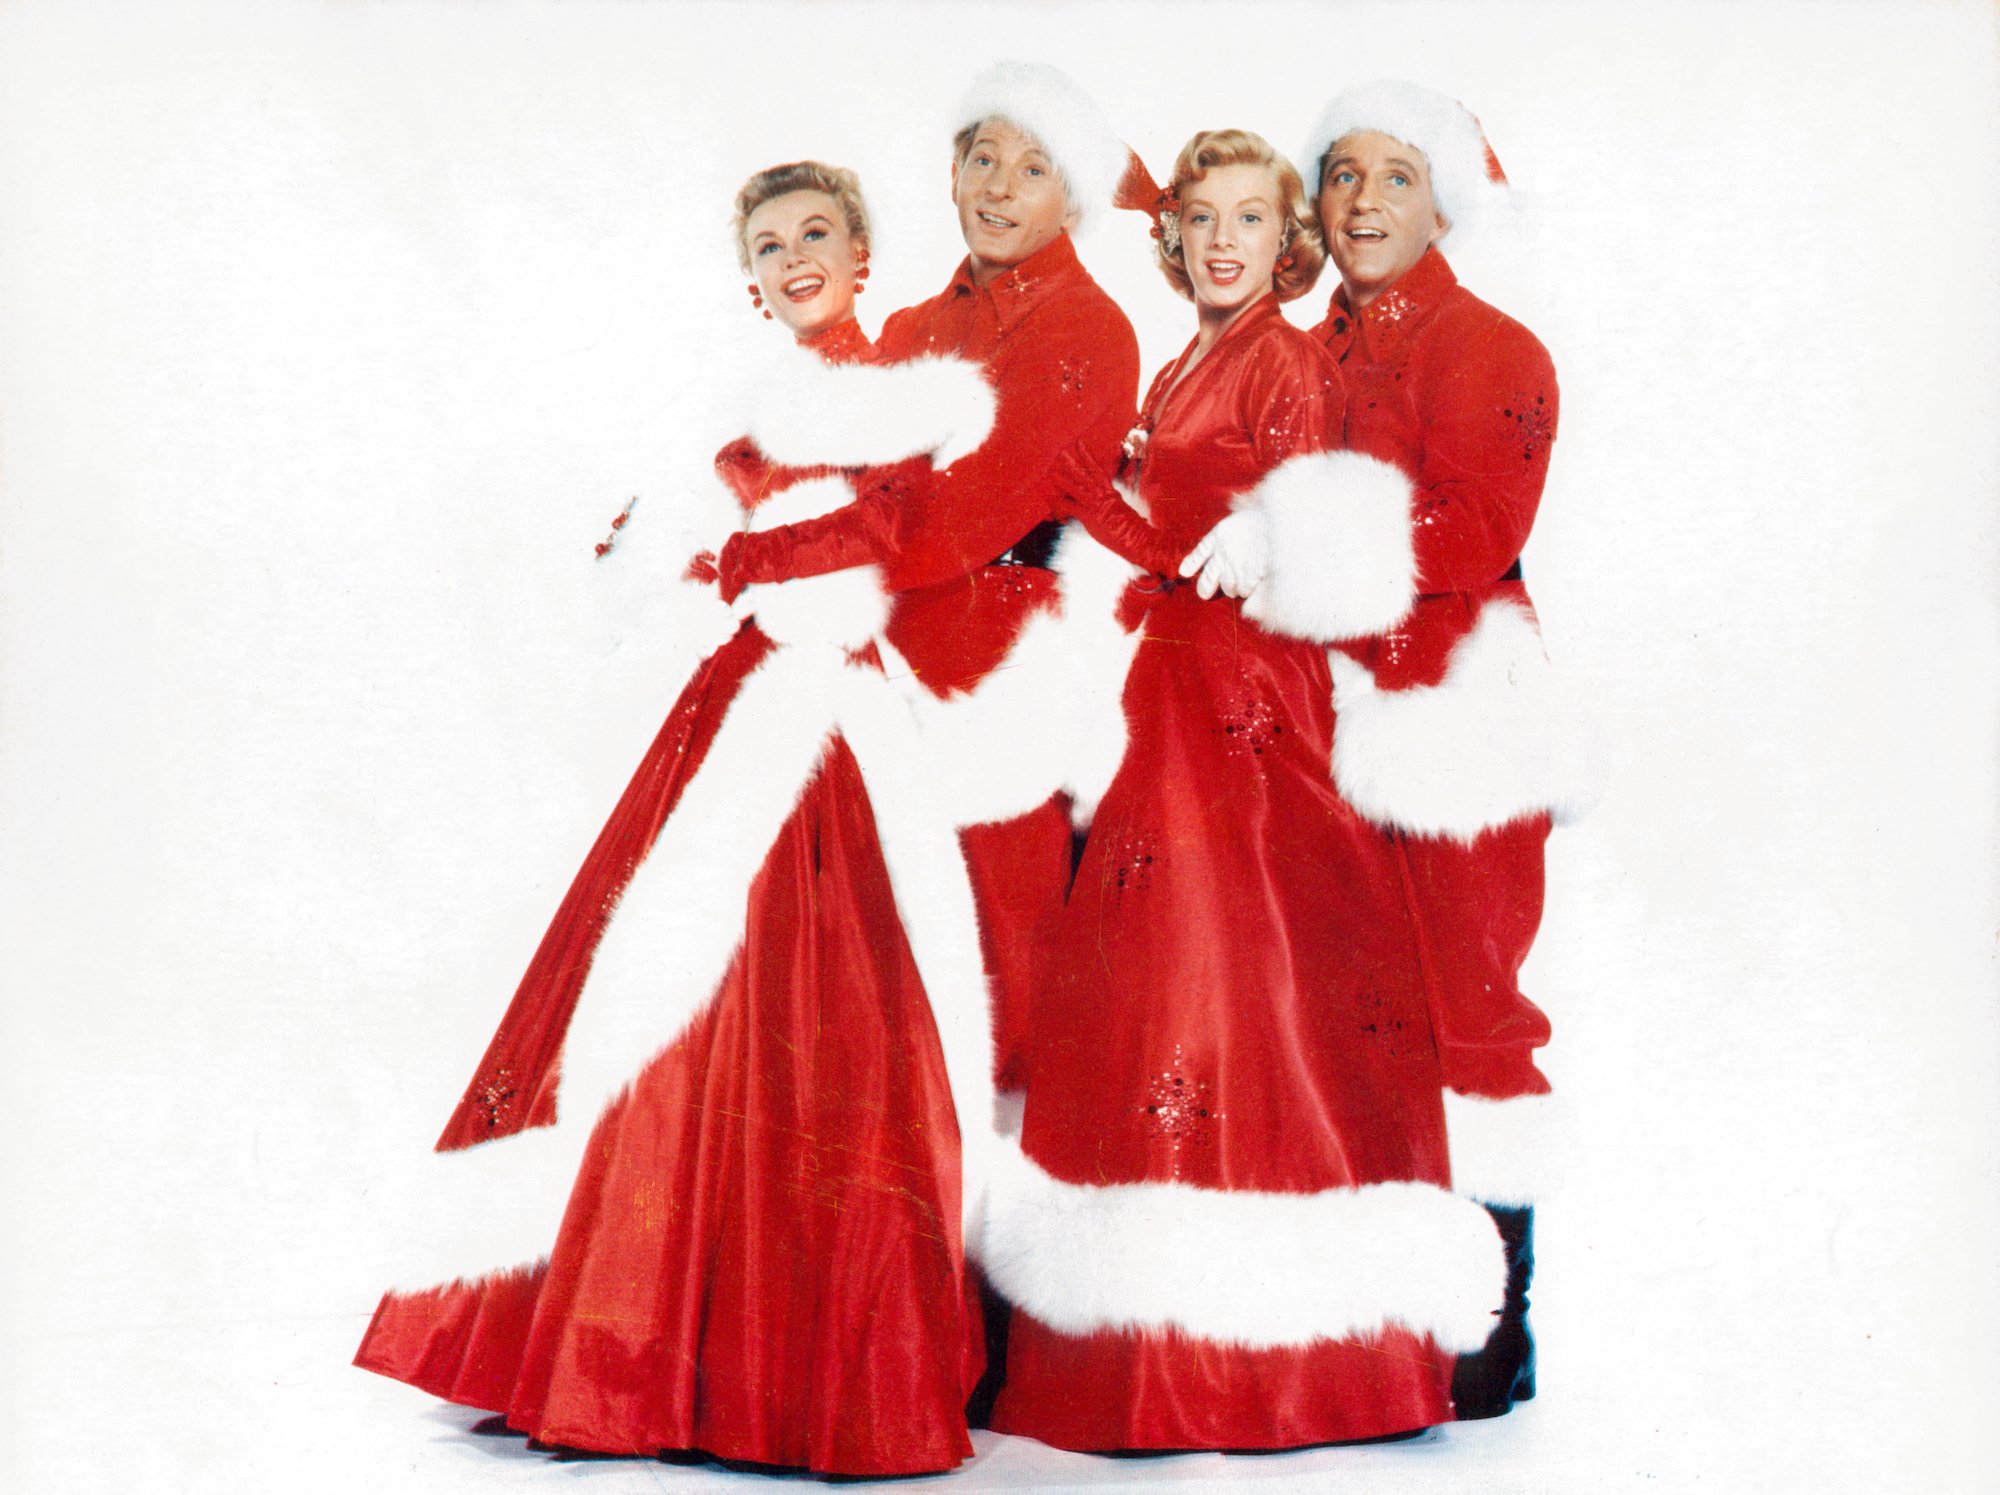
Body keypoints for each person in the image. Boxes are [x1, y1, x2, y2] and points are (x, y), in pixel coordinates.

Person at [351, 160, 1008, 1477]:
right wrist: (662, 538)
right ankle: (616, 1334)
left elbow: (886, 522)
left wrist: (736, 554)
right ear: (749, 279)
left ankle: (781, 1358)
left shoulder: (892, 393)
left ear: (863, 254)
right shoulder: (766, 404)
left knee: (808, 996)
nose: (796, 255)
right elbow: (748, 528)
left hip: (825, 710)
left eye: (818, 232)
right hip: (744, 689)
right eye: (771, 244)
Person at [979, 128, 1509, 1453]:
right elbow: (1166, 542)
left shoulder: (1282, 363)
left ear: (1289, 242)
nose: (1222, 238)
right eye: (1203, 217)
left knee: (1226, 983)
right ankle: (1152, 1339)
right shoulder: (1191, 357)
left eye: (1251, 219)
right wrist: (1076, 499)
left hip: (1244, 712)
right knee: (1170, 985)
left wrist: (1117, 509)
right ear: (1176, 241)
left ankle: (1232, 1356)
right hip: (1178, 692)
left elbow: (1286, 541)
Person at [710, 61, 1142, 1105]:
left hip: (996, 678)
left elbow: (954, 523)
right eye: (982, 159)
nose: (999, 187)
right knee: (880, 975)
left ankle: (995, 1247)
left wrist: (762, 553)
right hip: (881, 668)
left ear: (1070, 195)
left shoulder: (1087, 327)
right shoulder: (909, 328)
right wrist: (729, 497)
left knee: (1000, 975)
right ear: (950, 175)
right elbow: (824, 455)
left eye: (1031, 169)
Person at [1280, 79, 1601, 1421]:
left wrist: (1279, 542)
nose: (1362, 202)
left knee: (1468, 1003)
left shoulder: (1494, 348)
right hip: (1311, 704)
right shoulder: (1292, 346)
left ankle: (1488, 1320)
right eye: (1343, 175)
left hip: (1458, 702)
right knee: (1333, 1002)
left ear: (1443, 198)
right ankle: (1364, 1314)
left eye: (1394, 176)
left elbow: (1467, 537)